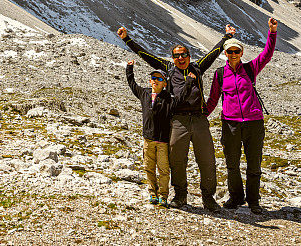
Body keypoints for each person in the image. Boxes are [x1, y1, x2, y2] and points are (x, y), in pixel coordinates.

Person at [117, 24, 235, 211]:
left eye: (184, 55)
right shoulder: (168, 69)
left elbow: (213, 54)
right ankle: (180, 196)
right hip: (178, 120)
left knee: (207, 159)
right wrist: (126, 39)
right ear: (172, 58)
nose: (180, 58)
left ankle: (208, 198)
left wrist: (226, 37)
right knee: (177, 159)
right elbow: (146, 55)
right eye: (177, 55)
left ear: (189, 56)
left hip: (198, 119)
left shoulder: (197, 68)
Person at [206, 17, 278, 214]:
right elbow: (213, 99)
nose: (233, 54)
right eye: (230, 51)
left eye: (237, 51)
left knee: (254, 164)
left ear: (242, 52)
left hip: (254, 123)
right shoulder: (220, 74)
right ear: (225, 54)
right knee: (232, 164)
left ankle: (254, 201)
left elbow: (267, 55)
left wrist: (272, 32)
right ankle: (236, 197)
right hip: (230, 124)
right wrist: (201, 116)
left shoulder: (250, 68)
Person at [125, 60, 197, 207]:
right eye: (153, 78)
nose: (155, 81)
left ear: (165, 83)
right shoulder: (144, 93)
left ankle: (163, 196)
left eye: (159, 79)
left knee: (163, 170)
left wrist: (189, 81)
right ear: (150, 81)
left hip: (163, 141)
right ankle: (153, 193)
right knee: (148, 168)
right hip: (148, 140)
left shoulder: (169, 99)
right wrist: (129, 68)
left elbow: (182, 96)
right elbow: (132, 84)